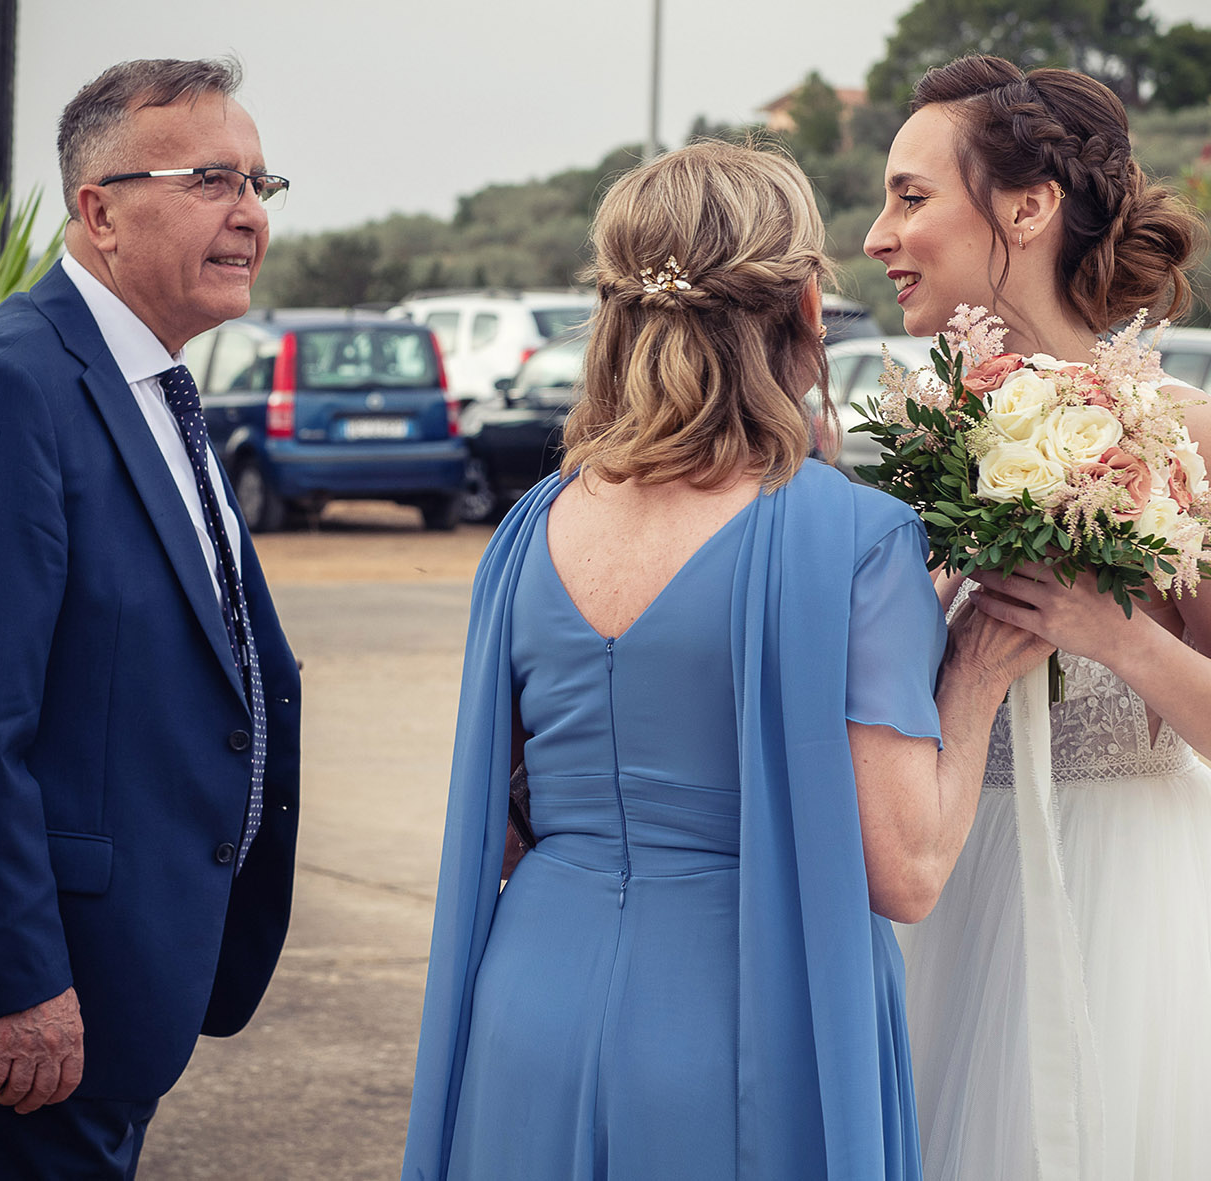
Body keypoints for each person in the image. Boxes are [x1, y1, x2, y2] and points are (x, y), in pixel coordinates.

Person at [400, 140, 1049, 1181]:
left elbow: (511, 813)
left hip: (528, 1007)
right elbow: (905, 870)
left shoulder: (527, 530)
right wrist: (972, 667)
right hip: (745, 1020)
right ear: (801, 308)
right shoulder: (857, 537)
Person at [864, 54, 1211, 1180]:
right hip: (941, 889)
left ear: (1027, 205)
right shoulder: (921, 438)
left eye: (910, 196)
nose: (876, 235)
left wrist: (1115, 634)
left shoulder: (1190, 435)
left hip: (1142, 923)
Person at [0, 58, 300, 1178]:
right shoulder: (11, 387)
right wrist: (19, 978)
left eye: (261, 185)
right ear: (100, 209)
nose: (247, 215)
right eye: (213, 180)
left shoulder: (157, 389)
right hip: (33, 1012)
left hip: (121, 986)